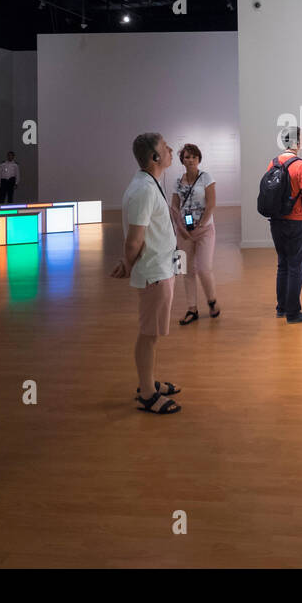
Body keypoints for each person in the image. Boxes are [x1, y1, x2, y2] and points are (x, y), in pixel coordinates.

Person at [110, 132, 182, 415]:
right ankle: (147, 394)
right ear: (155, 157)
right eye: (165, 148)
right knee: (148, 334)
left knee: (152, 333)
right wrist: (127, 264)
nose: (171, 150)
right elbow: (134, 240)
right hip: (154, 272)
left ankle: (148, 381)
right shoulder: (144, 190)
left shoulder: (149, 184)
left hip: (161, 268)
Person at [269, 126, 302, 324]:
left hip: (276, 222)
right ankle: (293, 313)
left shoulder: (272, 163)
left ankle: (281, 308)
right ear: (297, 143)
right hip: (295, 222)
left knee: (282, 265)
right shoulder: (301, 165)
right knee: (296, 267)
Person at [171, 143, 220, 324]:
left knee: (203, 268)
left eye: (193, 157)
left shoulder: (206, 177)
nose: (190, 160)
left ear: (199, 159)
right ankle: (192, 309)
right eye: (186, 157)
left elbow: (211, 203)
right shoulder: (177, 182)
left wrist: (201, 225)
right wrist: (180, 226)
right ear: (182, 160)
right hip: (183, 232)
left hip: (205, 230)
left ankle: (212, 300)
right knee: (186, 270)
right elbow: (174, 206)